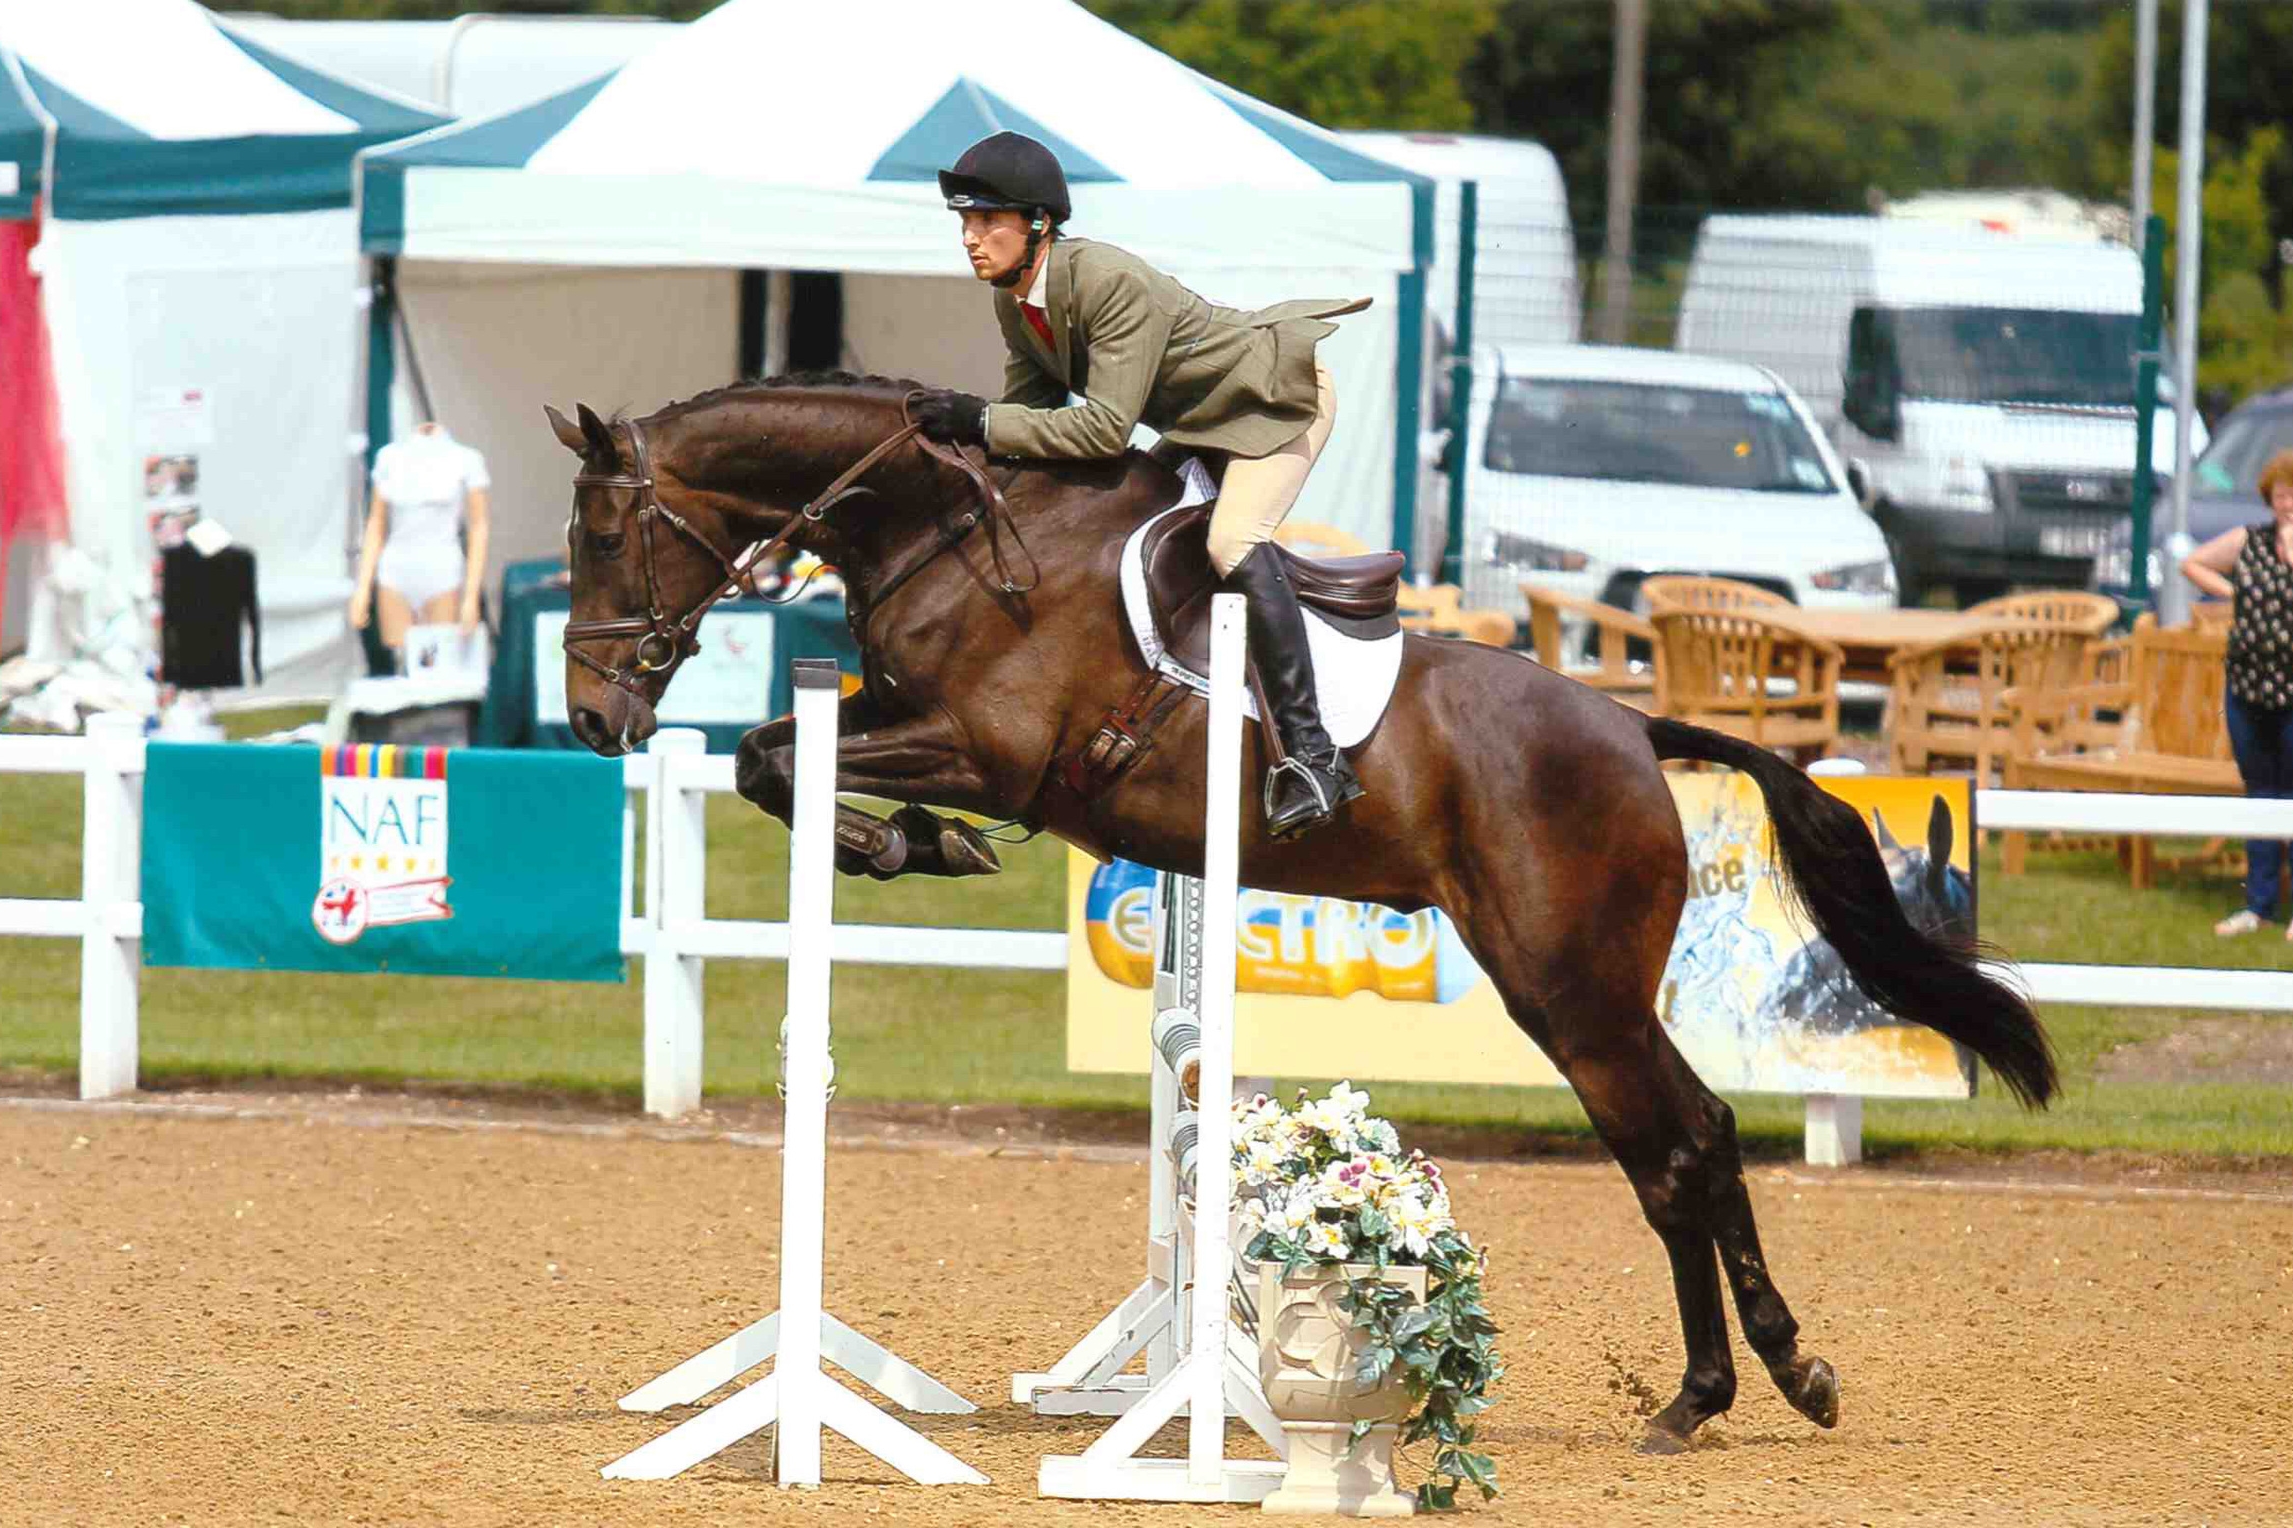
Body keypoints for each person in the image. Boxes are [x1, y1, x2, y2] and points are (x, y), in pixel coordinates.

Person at [909, 132, 1369, 840]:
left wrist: (979, 420)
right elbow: (1027, 425)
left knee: (1230, 540)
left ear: (1037, 224)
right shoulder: (1015, 302)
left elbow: (1098, 432)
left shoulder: (1106, 280)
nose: (970, 239)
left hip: (1273, 398)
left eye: (986, 221)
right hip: (1201, 416)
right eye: (964, 223)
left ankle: (1312, 754)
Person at [2180, 445, 2293, 937]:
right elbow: (2194, 564)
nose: (2289, 502)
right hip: (2247, 687)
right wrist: (2233, 593)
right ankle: (2260, 906)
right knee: (2261, 793)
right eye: (2283, 493)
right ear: (2270, 496)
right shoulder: (2248, 540)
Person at [350, 421, 492, 656]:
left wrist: (471, 596)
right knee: (400, 660)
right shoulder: (389, 458)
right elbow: (376, 523)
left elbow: (479, 527)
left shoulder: (466, 459)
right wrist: (362, 588)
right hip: (395, 571)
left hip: (442, 571)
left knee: (441, 660)